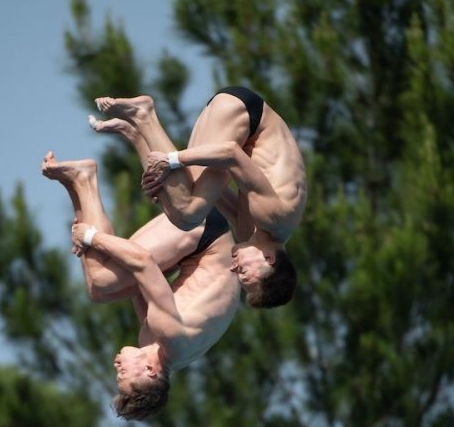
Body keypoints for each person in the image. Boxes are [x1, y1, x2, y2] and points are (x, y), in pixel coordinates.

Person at [41, 151, 240, 420]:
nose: (117, 366)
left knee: (99, 289)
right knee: (101, 279)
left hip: (196, 250)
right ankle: (83, 179)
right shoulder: (170, 336)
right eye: (123, 374)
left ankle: (75, 185)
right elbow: (144, 263)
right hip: (207, 234)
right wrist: (91, 237)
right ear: (150, 371)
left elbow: (139, 284)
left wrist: (91, 240)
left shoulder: (154, 345)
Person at [89, 87, 307, 308]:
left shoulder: (251, 234)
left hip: (238, 121)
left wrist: (168, 192)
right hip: (245, 115)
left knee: (182, 205)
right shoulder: (275, 217)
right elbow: (232, 154)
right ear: (269, 258)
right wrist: (173, 160)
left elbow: (215, 194)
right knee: (188, 213)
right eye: (243, 272)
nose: (233, 268)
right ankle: (143, 115)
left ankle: (136, 133)